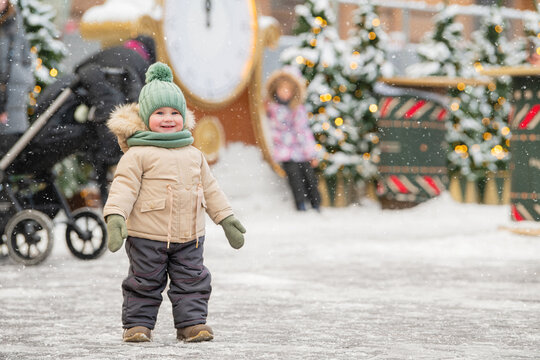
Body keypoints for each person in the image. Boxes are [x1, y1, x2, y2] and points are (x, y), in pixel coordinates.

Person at [103, 62, 246, 343]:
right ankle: (137, 326)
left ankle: (192, 324)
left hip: (190, 237)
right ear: (146, 118)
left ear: (184, 117)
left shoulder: (193, 154)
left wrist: (226, 219)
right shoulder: (138, 154)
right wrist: (116, 216)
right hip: (147, 236)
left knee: (192, 281)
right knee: (144, 282)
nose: (168, 118)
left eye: (174, 113)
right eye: (159, 113)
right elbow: (123, 187)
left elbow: (211, 189)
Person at [265, 66, 321, 211]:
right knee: (295, 178)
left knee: (309, 176)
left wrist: (311, 153)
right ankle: (300, 203)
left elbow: (303, 132)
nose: (284, 93)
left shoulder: (297, 110)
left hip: (300, 151)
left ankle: (315, 203)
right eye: (281, 89)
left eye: (287, 90)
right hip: (284, 151)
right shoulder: (272, 108)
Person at [0, 0, 34, 154]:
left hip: (14, 93)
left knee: (11, 146)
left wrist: (24, 78)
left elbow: (25, 55)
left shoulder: (14, 21)